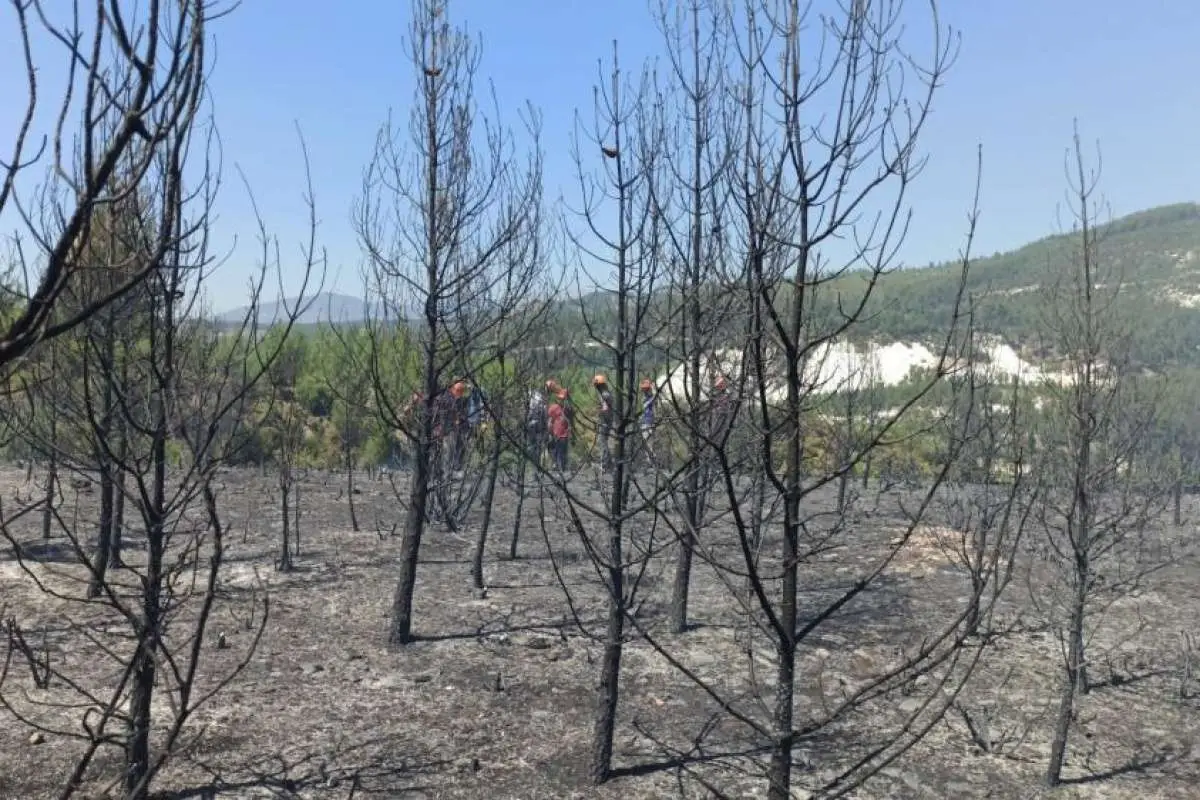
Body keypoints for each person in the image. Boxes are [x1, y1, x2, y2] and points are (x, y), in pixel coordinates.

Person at [593, 374, 614, 470]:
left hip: (605, 421)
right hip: (605, 420)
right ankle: (608, 462)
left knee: (602, 442)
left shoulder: (605, 395)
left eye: (597, 386)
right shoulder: (604, 394)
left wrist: (599, 413)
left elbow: (606, 410)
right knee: (603, 442)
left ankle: (606, 463)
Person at [547, 389, 571, 471]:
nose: (561, 401)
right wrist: (550, 433)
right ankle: (555, 466)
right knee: (555, 451)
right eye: (560, 399)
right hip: (555, 434)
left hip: (564, 434)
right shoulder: (554, 408)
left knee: (563, 453)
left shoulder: (568, 409)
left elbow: (570, 422)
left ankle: (563, 469)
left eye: (563, 399)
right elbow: (550, 421)